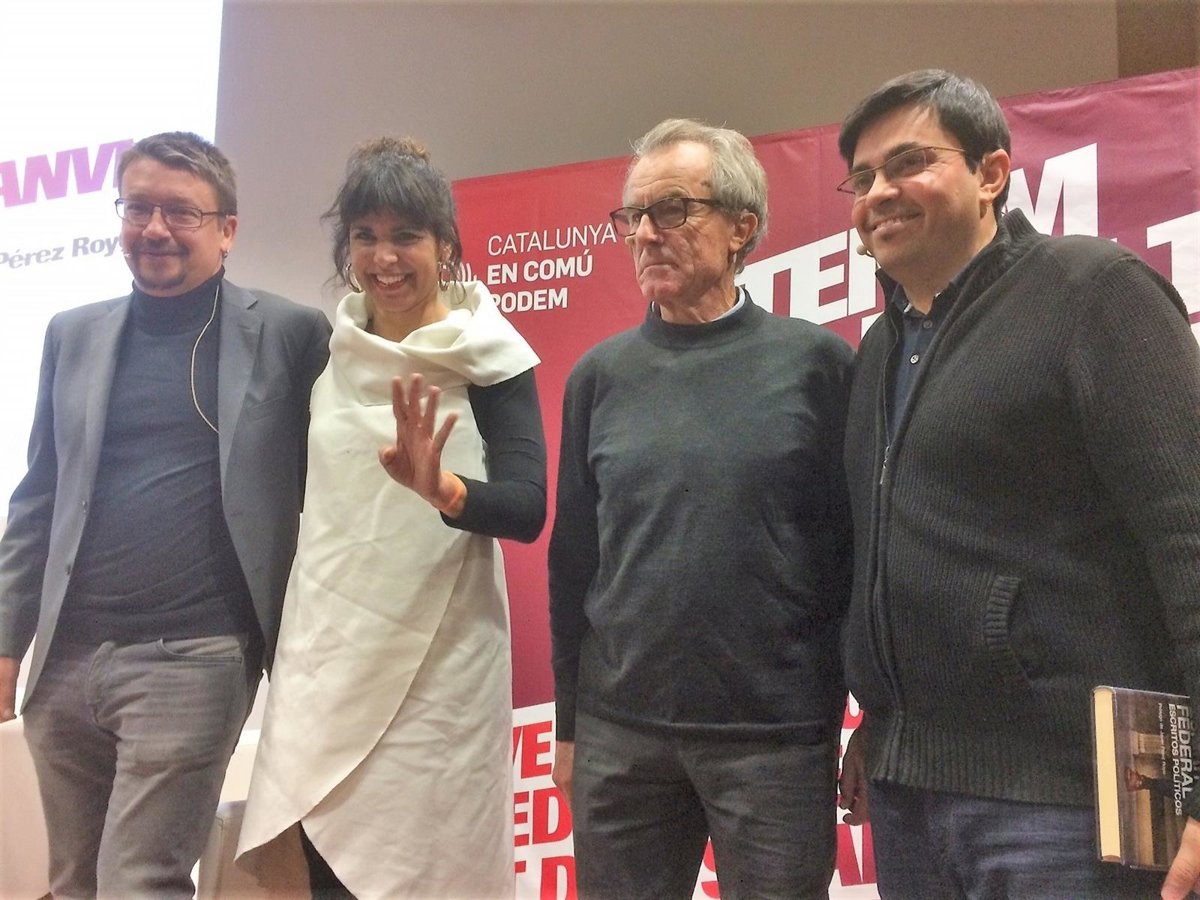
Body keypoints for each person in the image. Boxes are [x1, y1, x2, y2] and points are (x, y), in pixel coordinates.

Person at [833, 68, 1200, 899]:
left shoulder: (1093, 292)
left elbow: (1190, 538)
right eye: (863, 177)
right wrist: (888, 728)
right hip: (908, 797)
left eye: (909, 162)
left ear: (992, 173)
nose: (879, 192)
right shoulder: (882, 350)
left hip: (1069, 805)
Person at [0, 131, 331, 898]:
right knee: (74, 883)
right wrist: (8, 641)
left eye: (181, 212)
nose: (154, 228)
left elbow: (333, 487)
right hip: (67, 663)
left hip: (196, 654)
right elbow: (39, 496)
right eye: (137, 207)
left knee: (139, 880)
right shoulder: (72, 334)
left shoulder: (290, 332)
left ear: (227, 229)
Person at [548, 118, 854, 900]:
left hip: (775, 742)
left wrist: (865, 716)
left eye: (673, 210)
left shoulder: (818, 365)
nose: (647, 234)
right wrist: (570, 727)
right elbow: (573, 562)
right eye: (633, 217)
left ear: (741, 228)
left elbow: (853, 559)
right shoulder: (598, 377)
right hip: (620, 738)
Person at [236, 137, 546, 899]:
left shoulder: (489, 355)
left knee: (430, 869)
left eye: (406, 235)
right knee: (326, 862)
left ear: (446, 245)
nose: (384, 258)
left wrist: (444, 489)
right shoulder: (327, 353)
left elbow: (528, 508)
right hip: (329, 651)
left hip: (442, 663)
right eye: (365, 236)